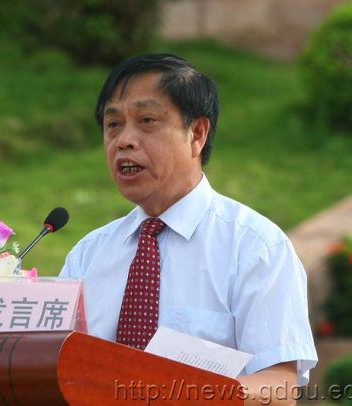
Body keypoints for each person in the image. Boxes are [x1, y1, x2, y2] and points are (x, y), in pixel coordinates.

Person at [60, 53, 317, 404]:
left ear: (196, 133)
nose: (124, 141)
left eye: (147, 121)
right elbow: (54, 365)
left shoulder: (256, 247)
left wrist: (178, 395)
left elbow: (279, 386)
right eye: (113, 124)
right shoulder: (87, 255)